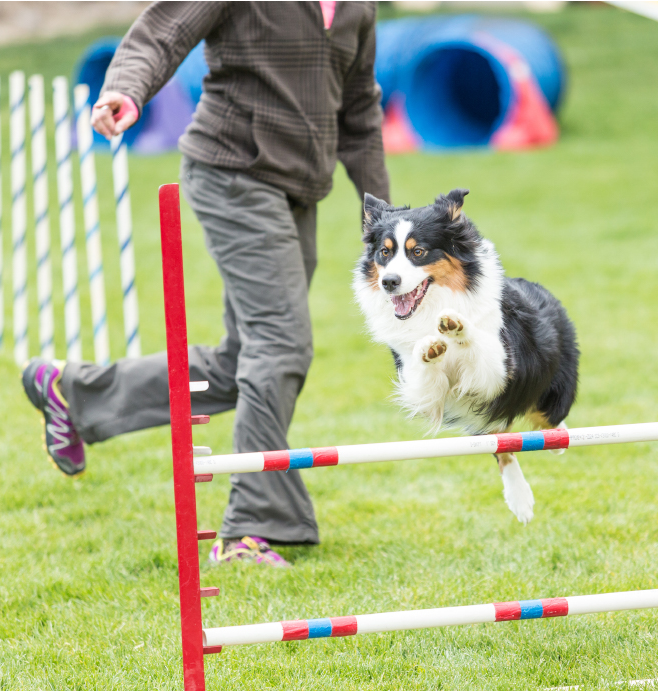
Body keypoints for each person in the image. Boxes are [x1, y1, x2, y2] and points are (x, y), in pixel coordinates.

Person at [21, 1, 390, 567]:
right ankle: (249, 531)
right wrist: (125, 87)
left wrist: (382, 219)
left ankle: (76, 393)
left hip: (298, 187)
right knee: (280, 344)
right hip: (233, 172)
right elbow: (163, 32)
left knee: (245, 358)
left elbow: (360, 110)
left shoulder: (356, 9)